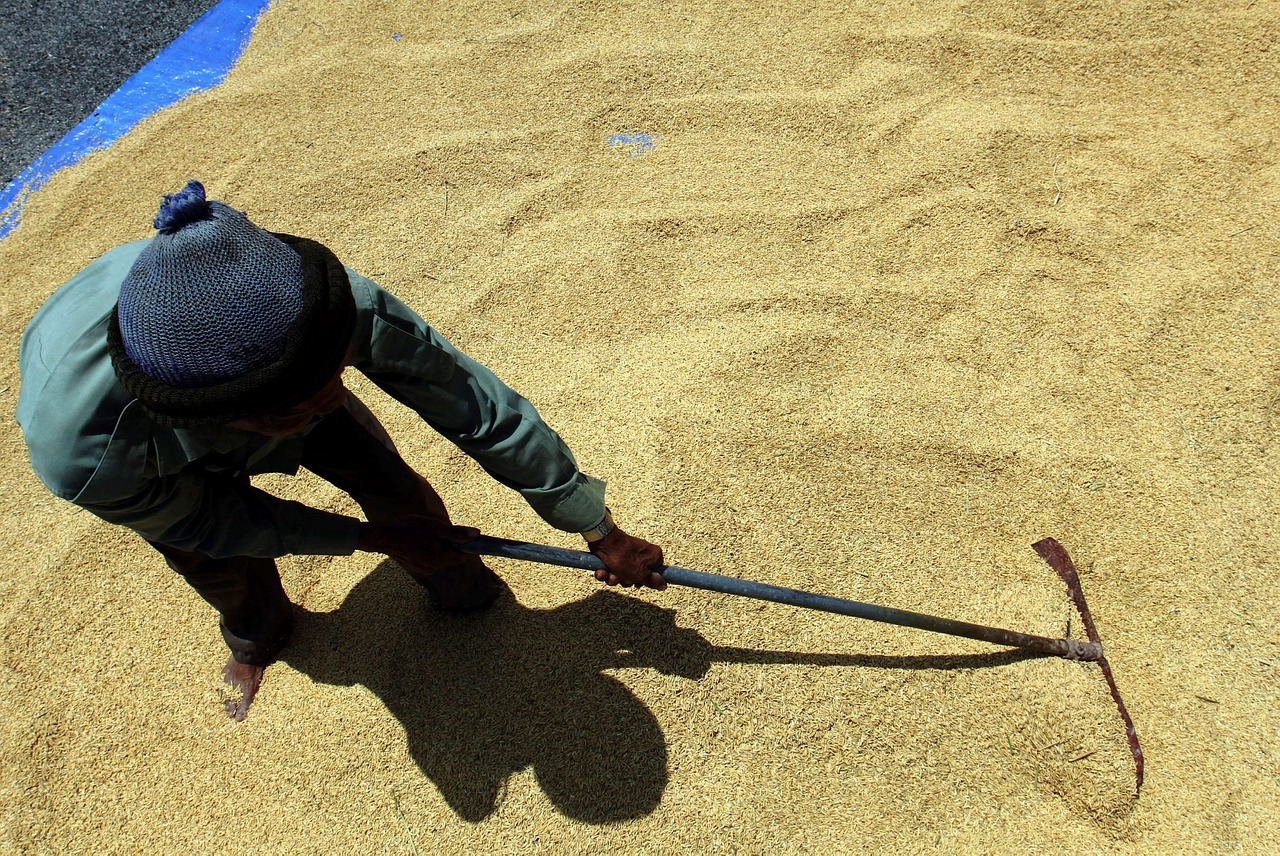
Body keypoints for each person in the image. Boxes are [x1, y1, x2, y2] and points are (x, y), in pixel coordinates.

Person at [16, 180, 666, 720]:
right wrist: (368, 542)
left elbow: (472, 402)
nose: (329, 401)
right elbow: (210, 521)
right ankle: (258, 632)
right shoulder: (84, 449)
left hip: (248, 367)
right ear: (226, 415)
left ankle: (461, 587)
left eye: (336, 377)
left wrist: (593, 525)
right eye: (297, 406)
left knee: (389, 483)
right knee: (214, 560)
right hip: (150, 438)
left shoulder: (326, 305)